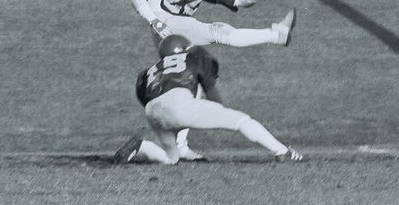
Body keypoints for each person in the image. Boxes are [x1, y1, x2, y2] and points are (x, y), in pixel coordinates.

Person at [130, 0, 297, 160]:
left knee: (192, 83)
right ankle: (276, 35)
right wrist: (154, 20)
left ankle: (180, 146)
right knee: (219, 31)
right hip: (164, 20)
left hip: (180, 31)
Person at [112, 35, 303, 164]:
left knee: (171, 159)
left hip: (152, 111)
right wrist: (220, 112)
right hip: (179, 103)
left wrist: (168, 119)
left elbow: (144, 97)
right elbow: (210, 90)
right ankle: (282, 151)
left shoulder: (148, 71)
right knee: (242, 121)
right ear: (185, 48)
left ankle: (141, 145)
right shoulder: (194, 56)